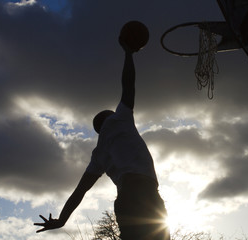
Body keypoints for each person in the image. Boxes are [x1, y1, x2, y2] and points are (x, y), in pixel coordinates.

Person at [34, 36, 170, 240]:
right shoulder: (121, 118)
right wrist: (128, 54)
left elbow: (79, 192)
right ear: (109, 116)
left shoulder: (99, 155)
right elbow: (128, 84)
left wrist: (62, 220)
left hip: (126, 198)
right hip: (145, 192)